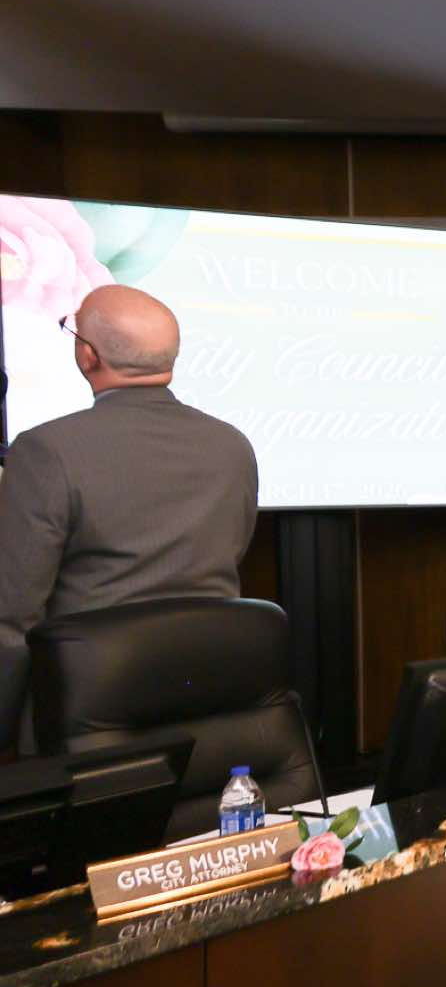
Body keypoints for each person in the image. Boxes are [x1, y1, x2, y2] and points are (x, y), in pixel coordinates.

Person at [0, 284, 258, 750]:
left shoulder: (45, 451)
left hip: (84, 713)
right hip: (209, 700)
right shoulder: (232, 445)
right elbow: (233, 552)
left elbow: (12, 615)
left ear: (88, 355)